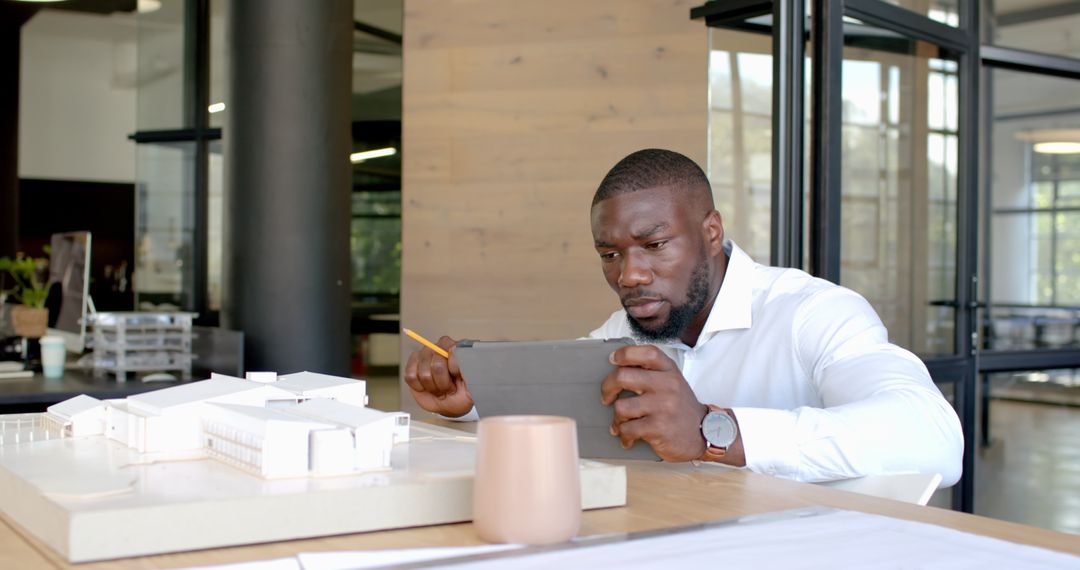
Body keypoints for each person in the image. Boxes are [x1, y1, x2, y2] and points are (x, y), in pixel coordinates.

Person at [404, 148, 963, 485]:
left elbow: (935, 437)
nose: (629, 275)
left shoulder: (812, 312)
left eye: (654, 245)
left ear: (711, 232)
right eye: (610, 254)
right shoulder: (623, 332)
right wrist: (474, 399)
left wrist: (713, 431)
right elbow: (558, 408)